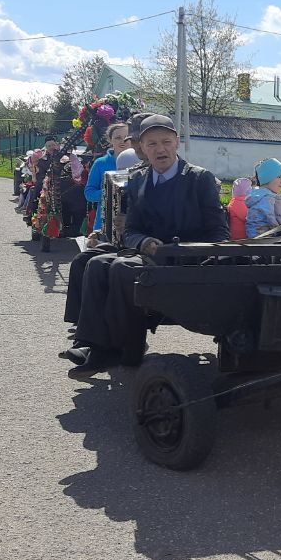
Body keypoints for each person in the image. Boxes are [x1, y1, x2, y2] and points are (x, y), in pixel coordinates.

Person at [66, 114, 228, 376]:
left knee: (121, 268)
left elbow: (219, 231)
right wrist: (144, 241)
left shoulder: (199, 179)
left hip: (186, 259)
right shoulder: (139, 178)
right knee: (95, 264)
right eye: (151, 144)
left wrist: (206, 258)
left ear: (177, 143)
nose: (160, 149)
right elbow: (131, 229)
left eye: (166, 141)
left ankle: (126, 350)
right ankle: (93, 345)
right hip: (150, 254)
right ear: (142, 147)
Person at [62, 142, 142, 326]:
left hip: (141, 245)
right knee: (82, 260)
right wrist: (99, 233)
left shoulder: (151, 182)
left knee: (104, 266)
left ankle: (103, 330)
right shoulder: (118, 185)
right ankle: (81, 323)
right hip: (120, 242)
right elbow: (112, 217)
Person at [84, 118, 139, 236]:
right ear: (110, 140)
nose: (123, 141)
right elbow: (89, 193)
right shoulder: (100, 163)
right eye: (117, 138)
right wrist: (111, 193)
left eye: (126, 137)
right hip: (105, 223)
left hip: (134, 224)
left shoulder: (141, 161)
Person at [245, 158, 281, 237]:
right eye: (279, 177)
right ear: (267, 178)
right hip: (264, 241)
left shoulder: (258, 195)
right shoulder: (267, 198)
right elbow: (275, 221)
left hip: (253, 238)